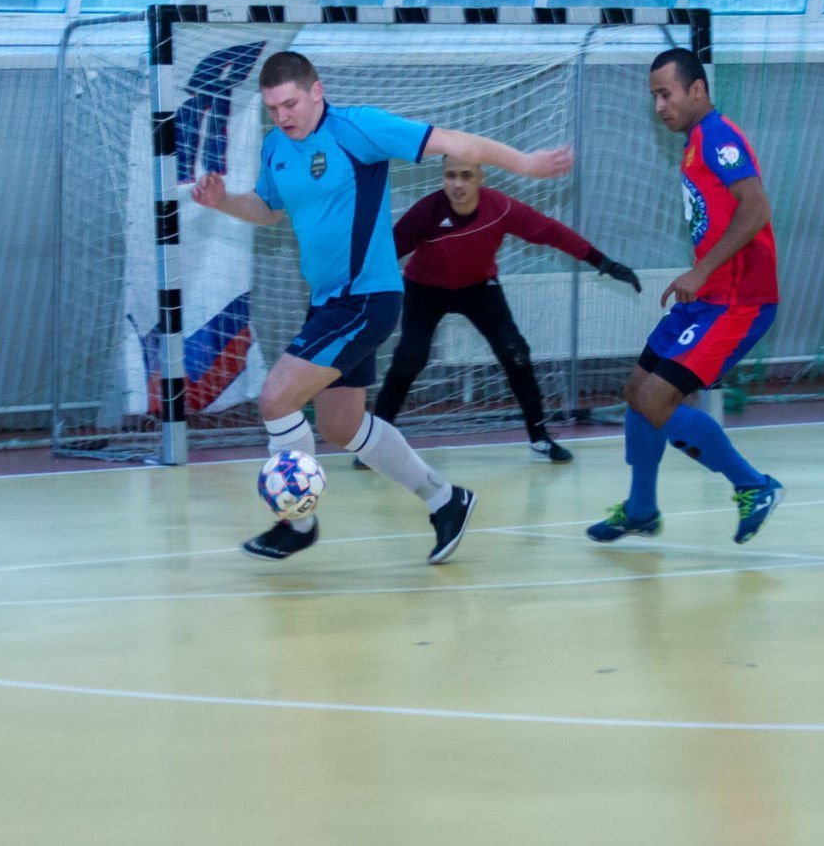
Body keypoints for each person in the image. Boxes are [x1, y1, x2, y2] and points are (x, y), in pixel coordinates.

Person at [191, 50, 573, 563]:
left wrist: (526, 163)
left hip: (365, 298)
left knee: (276, 398)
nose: (282, 117)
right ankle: (446, 500)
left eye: (290, 104)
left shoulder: (357, 129)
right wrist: (223, 200)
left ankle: (296, 523)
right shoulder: (276, 146)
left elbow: (454, 142)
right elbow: (268, 209)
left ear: (316, 92)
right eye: (272, 108)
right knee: (340, 426)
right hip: (327, 302)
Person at [586, 47, 783, 547]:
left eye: (665, 94)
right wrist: (702, 277)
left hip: (739, 301)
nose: (659, 106)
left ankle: (753, 486)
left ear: (697, 89)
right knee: (638, 389)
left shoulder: (718, 137)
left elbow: (756, 208)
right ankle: (641, 509)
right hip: (708, 298)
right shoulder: (695, 142)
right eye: (654, 96)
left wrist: (701, 270)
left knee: (658, 398)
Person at [365, 156, 642, 465]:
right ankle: (376, 445)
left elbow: (551, 231)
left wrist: (603, 262)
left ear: (480, 177)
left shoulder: (500, 208)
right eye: (450, 176)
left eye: (466, 175)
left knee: (516, 355)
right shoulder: (427, 211)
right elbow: (385, 254)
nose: (458, 184)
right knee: (409, 360)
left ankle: (540, 439)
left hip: (479, 288)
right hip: (425, 290)